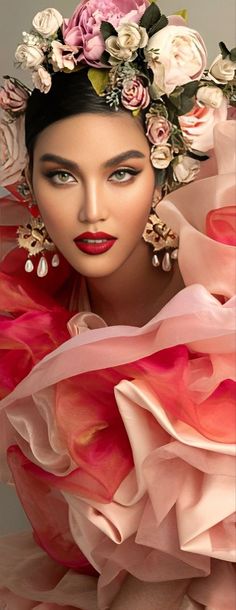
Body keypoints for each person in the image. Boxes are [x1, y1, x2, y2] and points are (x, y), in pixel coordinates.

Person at [0, 1, 235, 609]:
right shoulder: (25, 319)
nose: (92, 210)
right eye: (63, 176)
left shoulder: (220, 303)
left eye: (122, 174)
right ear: (27, 182)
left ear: (163, 174)